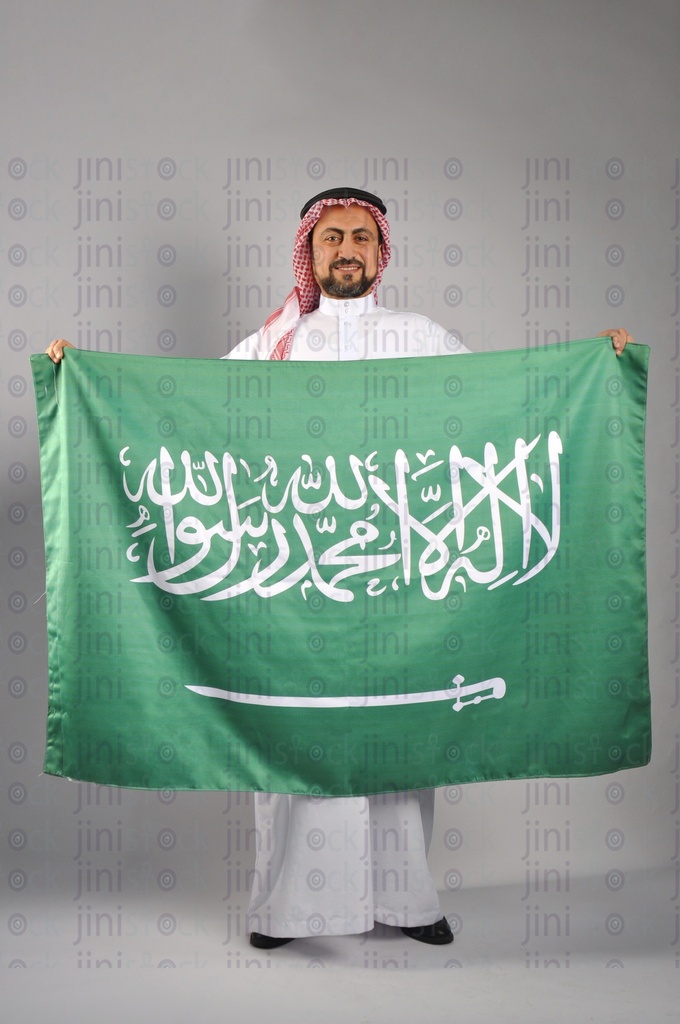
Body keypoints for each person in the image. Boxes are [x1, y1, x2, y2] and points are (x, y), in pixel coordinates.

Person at [46, 186, 633, 951]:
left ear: (380, 251)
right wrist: (82, 378)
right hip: (298, 584)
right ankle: (288, 914)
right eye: (332, 239)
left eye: (360, 236)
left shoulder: (419, 338)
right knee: (296, 733)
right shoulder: (275, 345)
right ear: (310, 252)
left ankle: (409, 902)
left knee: (401, 733)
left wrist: (597, 366)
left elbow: (508, 405)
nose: (346, 249)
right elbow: (187, 415)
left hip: (401, 581)